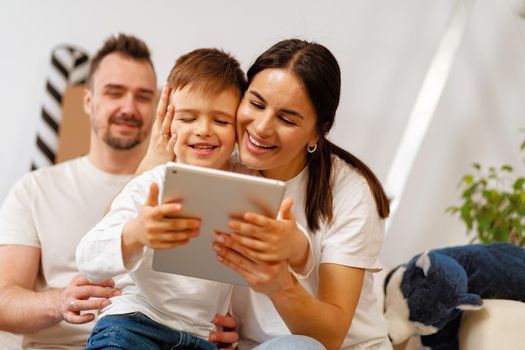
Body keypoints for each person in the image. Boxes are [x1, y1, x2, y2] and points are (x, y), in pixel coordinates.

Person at [207, 39, 392, 350]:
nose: (262, 127)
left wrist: (281, 285)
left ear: (317, 131)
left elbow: (329, 337)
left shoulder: (349, 192)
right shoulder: (218, 163)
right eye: (255, 103)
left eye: (287, 119)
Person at [76, 48, 253, 350]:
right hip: (133, 325)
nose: (203, 130)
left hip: (201, 338)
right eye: (187, 117)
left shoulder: (247, 189)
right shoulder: (151, 185)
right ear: (167, 122)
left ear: (238, 129)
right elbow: (88, 257)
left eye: (221, 121)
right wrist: (135, 233)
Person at [0, 33, 157, 349]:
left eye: (143, 96)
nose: (129, 107)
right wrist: (59, 302)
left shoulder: (174, 191)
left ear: (157, 105)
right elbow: (3, 300)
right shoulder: (35, 189)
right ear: (89, 101)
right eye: (115, 93)